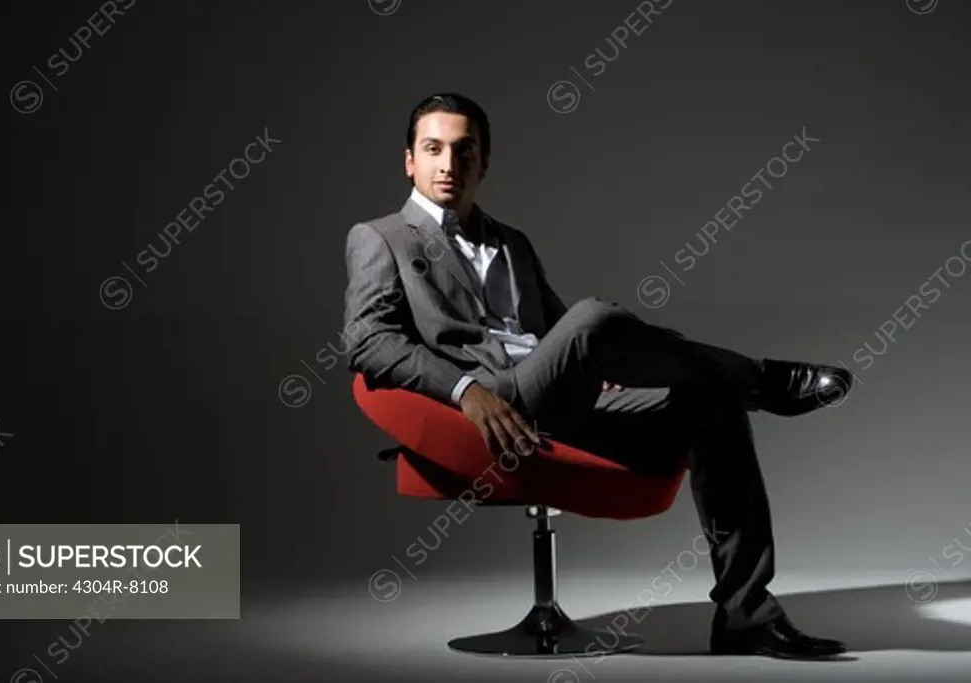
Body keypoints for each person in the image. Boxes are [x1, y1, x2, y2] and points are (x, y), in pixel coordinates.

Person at [342, 92, 854, 659]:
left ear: (484, 163)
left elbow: (558, 330)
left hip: (561, 398)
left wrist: (597, 360)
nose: (449, 164)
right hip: (499, 403)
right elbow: (368, 342)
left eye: (465, 151)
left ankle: (746, 614)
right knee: (596, 316)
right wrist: (467, 392)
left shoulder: (513, 242)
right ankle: (760, 379)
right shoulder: (379, 237)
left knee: (710, 403)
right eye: (433, 149)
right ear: (409, 160)